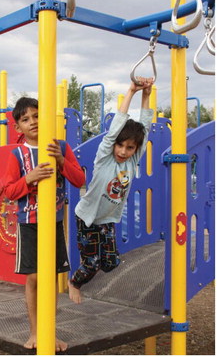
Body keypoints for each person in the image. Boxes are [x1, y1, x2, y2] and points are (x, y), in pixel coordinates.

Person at [4, 97, 85, 351]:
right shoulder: (17, 154)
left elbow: (79, 179)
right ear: (18, 128)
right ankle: (35, 332)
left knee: (50, 278)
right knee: (35, 277)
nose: (33, 122)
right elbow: (9, 192)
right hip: (29, 223)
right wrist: (29, 178)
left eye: (37, 116)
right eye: (26, 119)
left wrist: (61, 161)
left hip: (54, 222)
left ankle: (50, 331)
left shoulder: (59, 146)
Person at [68, 77, 154, 304]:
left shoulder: (131, 162)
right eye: (121, 145)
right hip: (87, 218)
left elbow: (145, 128)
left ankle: (84, 276)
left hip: (107, 220)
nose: (124, 151)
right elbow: (115, 128)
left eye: (130, 148)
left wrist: (147, 95)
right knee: (92, 262)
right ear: (114, 143)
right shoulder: (105, 158)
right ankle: (74, 282)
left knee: (111, 262)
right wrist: (132, 91)